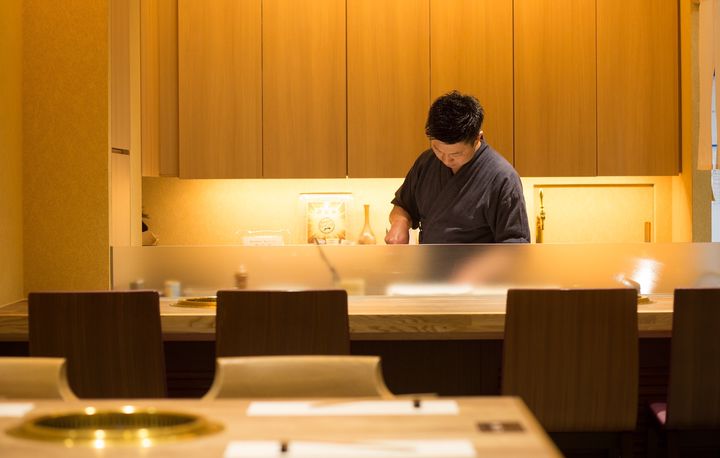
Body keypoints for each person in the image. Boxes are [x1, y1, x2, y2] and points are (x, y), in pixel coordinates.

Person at [385, 91, 530, 244]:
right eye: (438, 149)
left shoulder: (502, 178)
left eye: (456, 154)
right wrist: (399, 223)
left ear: (477, 138)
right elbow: (403, 206)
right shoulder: (426, 163)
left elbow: (515, 245)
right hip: (429, 260)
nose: (446, 159)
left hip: (480, 261)